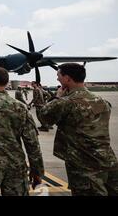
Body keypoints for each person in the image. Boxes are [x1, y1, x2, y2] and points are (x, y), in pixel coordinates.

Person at [39, 63, 118, 196]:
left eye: (59, 75)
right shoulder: (102, 101)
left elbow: (45, 117)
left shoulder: (66, 102)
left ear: (68, 79)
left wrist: (57, 97)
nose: (57, 79)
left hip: (83, 165)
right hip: (107, 160)